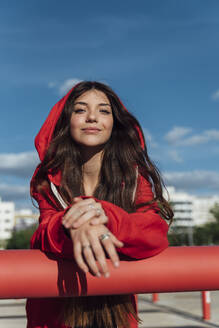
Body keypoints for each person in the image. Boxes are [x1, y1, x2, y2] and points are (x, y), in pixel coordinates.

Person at [26, 81, 173, 328]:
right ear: (66, 120)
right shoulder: (47, 179)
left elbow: (154, 229)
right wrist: (73, 224)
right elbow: (44, 230)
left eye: (104, 111)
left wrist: (103, 216)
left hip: (115, 315)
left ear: (115, 124)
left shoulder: (135, 180)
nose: (92, 117)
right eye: (80, 110)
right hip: (55, 316)